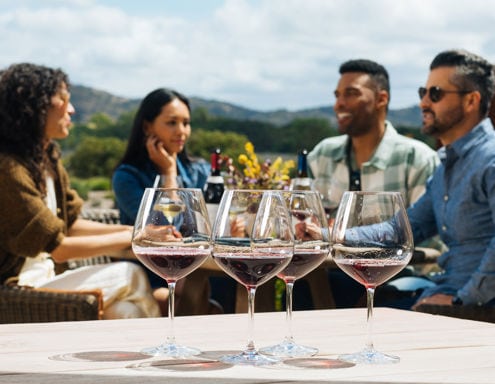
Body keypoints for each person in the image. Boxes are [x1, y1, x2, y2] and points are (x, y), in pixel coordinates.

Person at [0, 63, 160, 319]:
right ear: (35, 107)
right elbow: (60, 247)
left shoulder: (46, 158)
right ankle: (163, 353)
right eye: (63, 99)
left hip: (48, 279)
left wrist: (135, 231)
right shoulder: (8, 169)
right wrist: (136, 236)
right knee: (130, 273)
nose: (71, 109)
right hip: (18, 287)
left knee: (124, 310)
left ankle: (146, 357)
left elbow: (71, 223)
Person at [307, 59, 440, 308]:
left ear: (381, 99)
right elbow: (304, 217)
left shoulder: (417, 159)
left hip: (398, 275)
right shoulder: (322, 154)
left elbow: (427, 240)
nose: (339, 104)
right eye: (337, 95)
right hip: (329, 273)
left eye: (352, 93)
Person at [112, 88, 225, 315]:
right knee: (198, 299)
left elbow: (215, 222)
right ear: (147, 127)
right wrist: (168, 172)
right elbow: (167, 228)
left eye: (186, 123)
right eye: (172, 123)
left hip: (198, 267)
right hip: (149, 273)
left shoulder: (200, 171)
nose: (181, 131)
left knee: (227, 289)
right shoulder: (127, 177)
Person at [402, 49, 495, 309]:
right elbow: (404, 229)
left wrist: (462, 300)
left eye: (436, 94)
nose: (424, 103)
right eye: (423, 92)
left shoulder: (490, 160)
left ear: (471, 101)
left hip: (477, 311)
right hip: (445, 293)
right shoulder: (446, 168)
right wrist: (329, 234)